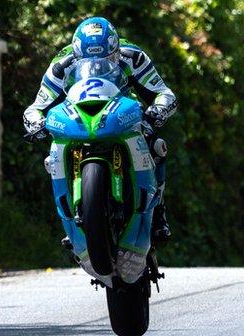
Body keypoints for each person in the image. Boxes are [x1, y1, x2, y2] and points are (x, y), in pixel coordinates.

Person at [23, 16, 177, 244]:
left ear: (115, 47)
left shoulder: (133, 56)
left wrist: (158, 109)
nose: (96, 64)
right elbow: (37, 105)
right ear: (76, 54)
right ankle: (70, 221)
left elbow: (163, 92)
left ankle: (159, 213)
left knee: (157, 146)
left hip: (122, 116)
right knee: (52, 156)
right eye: (88, 59)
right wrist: (36, 123)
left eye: (106, 58)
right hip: (79, 118)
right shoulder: (61, 64)